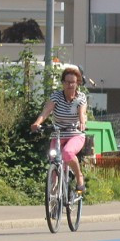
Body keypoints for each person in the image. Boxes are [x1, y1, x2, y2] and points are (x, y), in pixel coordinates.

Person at [30, 64, 88, 193]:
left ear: (77, 83)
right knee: (54, 160)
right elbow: (46, 111)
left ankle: (79, 177)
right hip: (58, 135)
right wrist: (37, 123)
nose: (70, 85)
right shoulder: (56, 96)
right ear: (62, 83)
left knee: (67, 153)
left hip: (75, 134)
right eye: (67, 82)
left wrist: (82, 122)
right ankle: (54, 195)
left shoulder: (81, 97)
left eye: (73, 82)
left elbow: (82, 112)